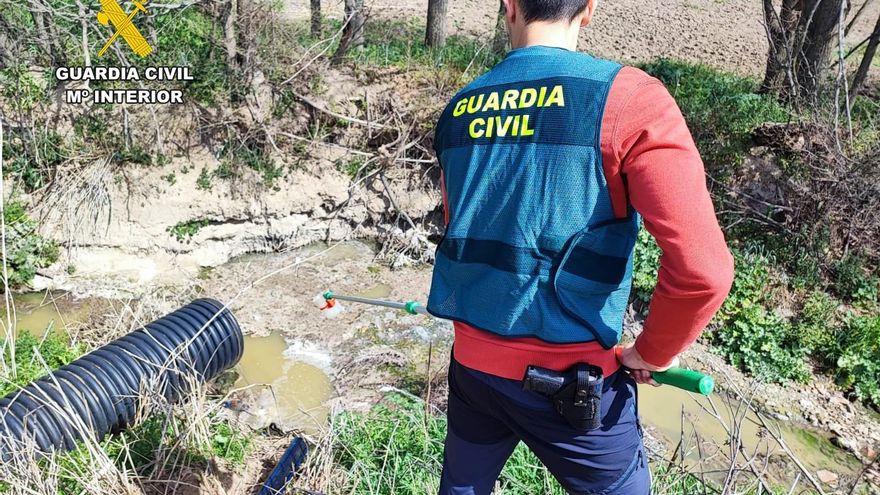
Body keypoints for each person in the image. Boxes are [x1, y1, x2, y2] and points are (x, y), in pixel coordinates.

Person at [426, 1, 735, 493]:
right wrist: (651, 354)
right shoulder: (631, 100)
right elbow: (704, 271)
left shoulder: (458, 109)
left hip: (473, 370)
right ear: (588, 8)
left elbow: (461, 230)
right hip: (575, 383)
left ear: (509, 7)